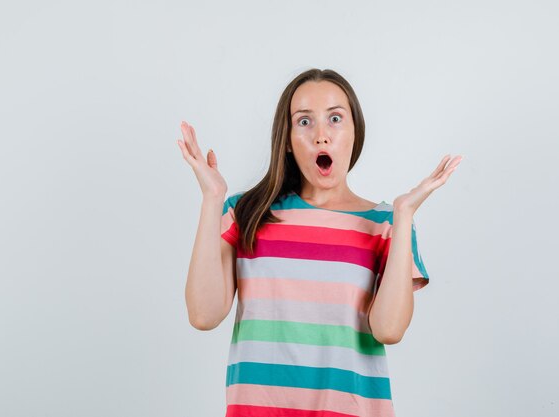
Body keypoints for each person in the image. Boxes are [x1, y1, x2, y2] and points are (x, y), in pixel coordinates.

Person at [177, 68, 462, 417]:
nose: (321, 136)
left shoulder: (386, 224)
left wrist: (403, 214)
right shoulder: (245, 212)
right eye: (304, 122)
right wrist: (212, 197)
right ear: (286, 138)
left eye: (336, 119)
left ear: (355, 132)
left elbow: (389, 330)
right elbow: (203, 315)